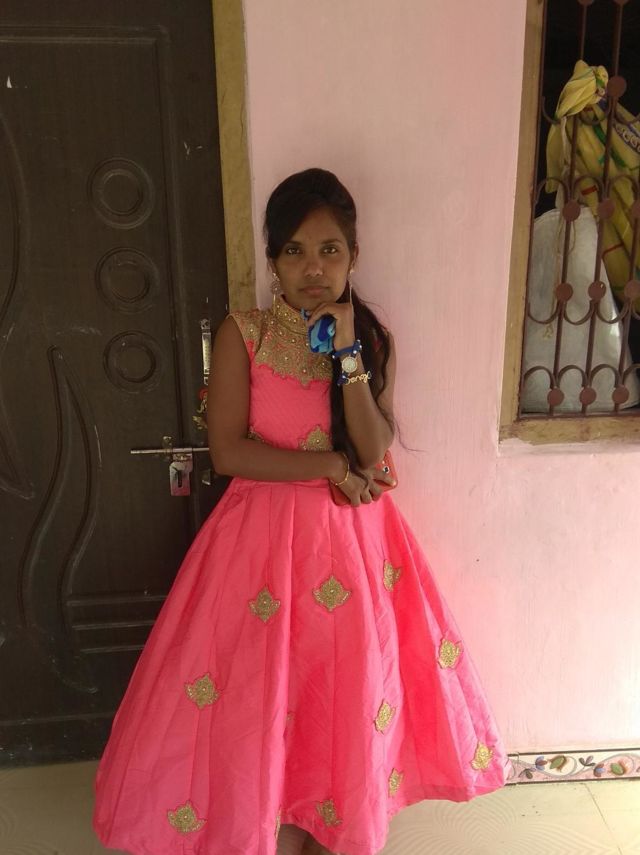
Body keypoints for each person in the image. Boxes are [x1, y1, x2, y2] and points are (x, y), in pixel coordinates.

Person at [93, 168, 508, 855]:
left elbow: (372, 451)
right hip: (260, 547)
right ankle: (267, 823)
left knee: (341, 695)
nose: (313, 268)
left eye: (329, 250)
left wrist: (346, 355)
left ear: (353, 255)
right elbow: (228, 450)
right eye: (294, 251)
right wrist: (327, 467)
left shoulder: (371, 339)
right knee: (264, 697)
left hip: (355, 545)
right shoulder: (247, 334)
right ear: (273, 260)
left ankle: (335, 823)